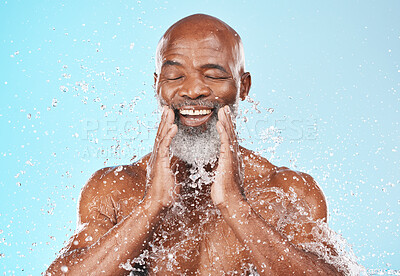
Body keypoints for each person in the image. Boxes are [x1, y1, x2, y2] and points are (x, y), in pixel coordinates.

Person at [45, 14, 343, 275]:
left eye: (213, 75)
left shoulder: (286, 192)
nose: (193, 90)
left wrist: (237, 207)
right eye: (175, 75)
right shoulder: (114, 190)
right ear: (157, 84)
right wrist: (150, 208)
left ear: (244, 87)